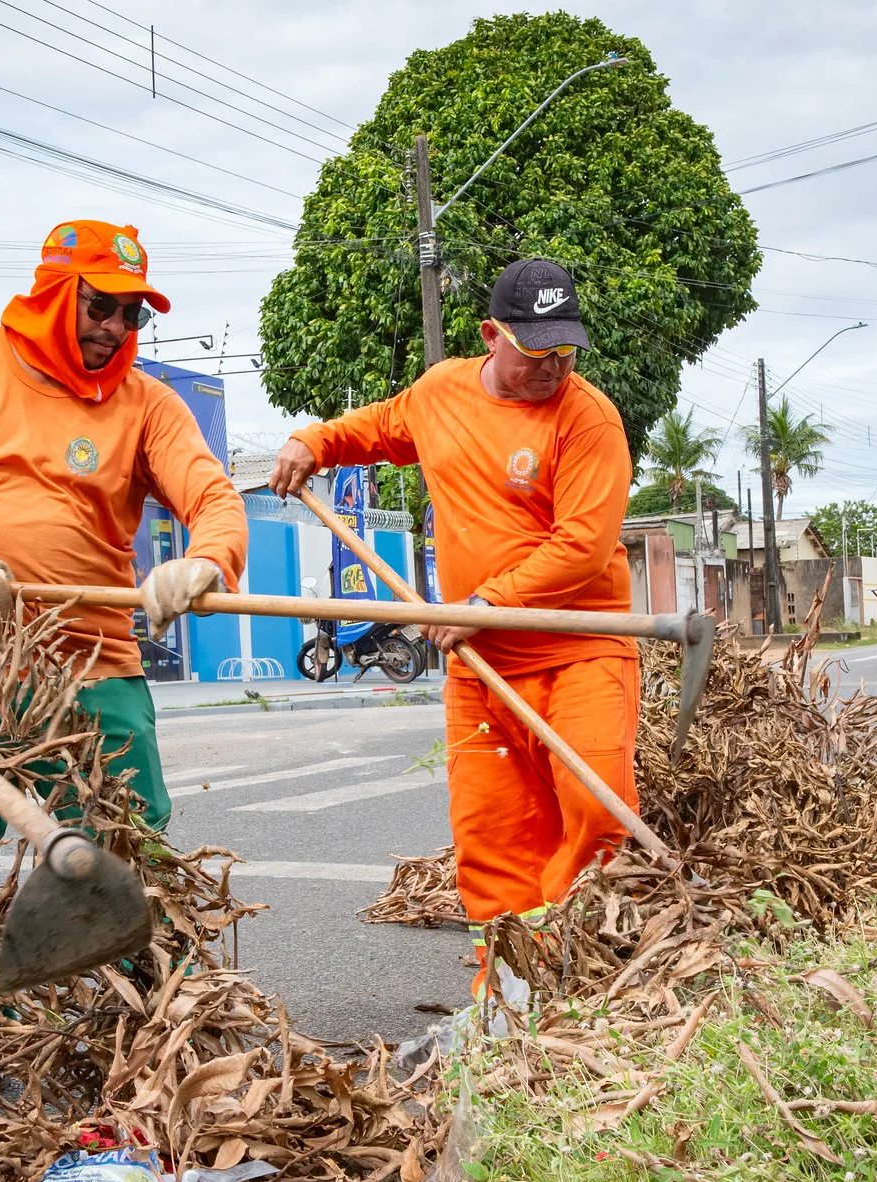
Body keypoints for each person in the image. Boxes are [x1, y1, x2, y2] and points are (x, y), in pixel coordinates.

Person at [266, 259, 636, 995]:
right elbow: (377, 427)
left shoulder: (588, 418)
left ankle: (579, 970)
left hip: (580, 648)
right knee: (494, 840)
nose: (555, 369)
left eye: (567, 351)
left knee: (597, 811)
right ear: (490, 336)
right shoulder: (441, 393)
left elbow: (583, 545)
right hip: (477, 660)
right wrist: (314, 442)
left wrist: (487, 602)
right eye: (538, 354)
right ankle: (508, 996)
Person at [0, 221, 245, 865]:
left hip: (93, 666)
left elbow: (213, 497)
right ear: (54, 294)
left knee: (129, 872)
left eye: (132, 313)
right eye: (101, 305)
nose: (116, 327)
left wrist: (205, 560)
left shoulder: (150, 404)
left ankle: (143, 965)